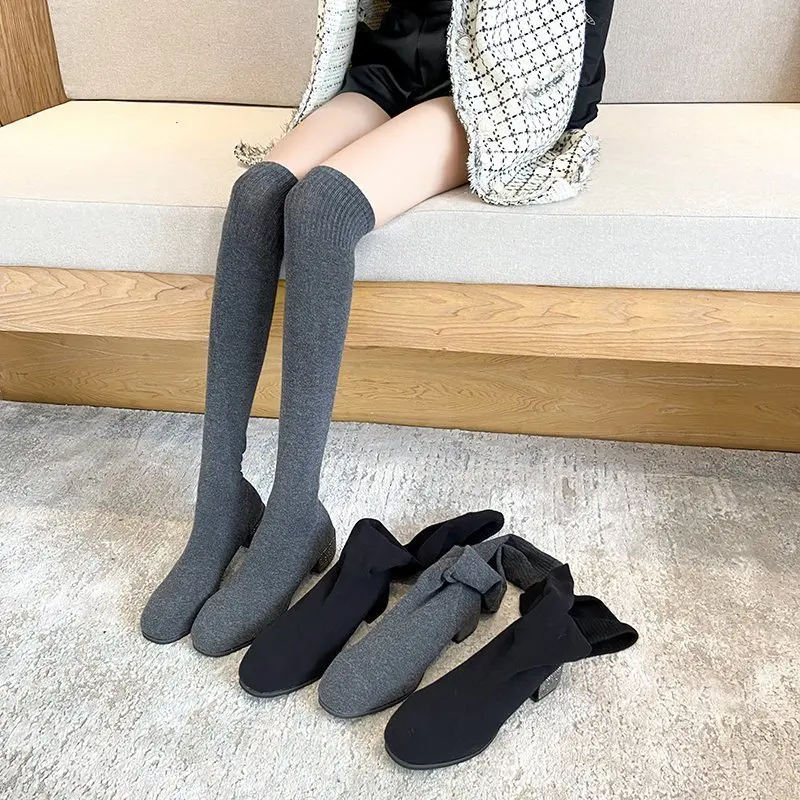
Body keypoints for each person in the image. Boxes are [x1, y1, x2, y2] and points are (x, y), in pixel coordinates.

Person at [140, 0, 615, 656]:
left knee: (321, 207)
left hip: (501, 86)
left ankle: (294, 516)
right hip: (395, 61)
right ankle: (220, 502)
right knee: (255, 197)